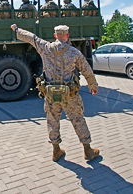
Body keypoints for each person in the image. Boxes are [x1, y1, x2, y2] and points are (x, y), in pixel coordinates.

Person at [10, 23, 100, 162]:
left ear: (55, 36)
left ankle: (56, 151)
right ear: (67, 36)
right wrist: (92, 85)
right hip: (69, 93)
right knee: (78, 119)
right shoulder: (74, 52)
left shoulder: (45, 47)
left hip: (51, 94)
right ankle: (87, 150)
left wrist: (16, 29)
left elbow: (30, 37)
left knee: (52, 121)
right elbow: (86, 69)